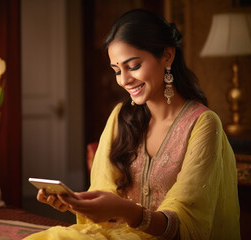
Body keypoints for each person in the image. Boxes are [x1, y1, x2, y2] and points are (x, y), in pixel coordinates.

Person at [25, 9, 240, 240]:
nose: (124, 80)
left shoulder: (202, 124)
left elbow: (187, 225)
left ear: (167, 56)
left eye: (134, 66)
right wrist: (77, 203)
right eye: (117, 70)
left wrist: (125, 210)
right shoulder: (121, 116)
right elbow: (106, 194)